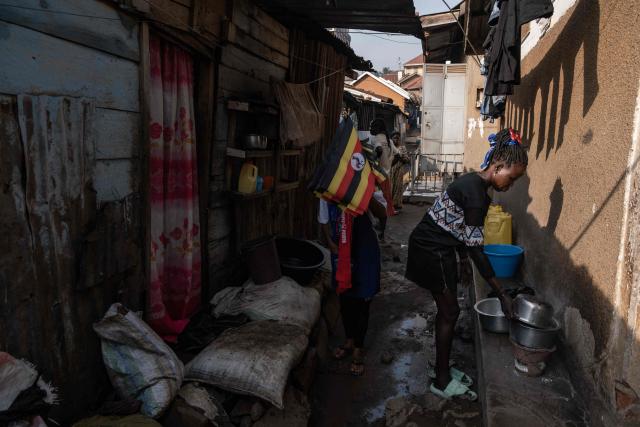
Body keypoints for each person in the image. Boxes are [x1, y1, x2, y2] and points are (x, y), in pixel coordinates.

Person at [405, 128, 528, 399]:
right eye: (512, 177)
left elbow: (459, 227)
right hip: (431, 250)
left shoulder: (474, 184)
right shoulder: (476, 195)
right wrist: (501, 293)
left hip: (439, 248)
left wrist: (461, 259)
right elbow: (476, 249)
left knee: (447, 311)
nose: (511, 184)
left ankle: (441, 366)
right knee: (449, 312)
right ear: (497, 166)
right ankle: (441, 379)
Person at [319, 196, 386, 376]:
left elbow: (382, 213)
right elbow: (324, 219)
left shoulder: (366, 181)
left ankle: (359, 347)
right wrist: (331, 244)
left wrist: (367, 195)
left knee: (363, 298)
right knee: (345, 295)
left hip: (365, 250)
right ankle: (349, 340)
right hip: (340, 247)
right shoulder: (329, 185)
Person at [370, 118, 397, 241]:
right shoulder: (389, 141)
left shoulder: (376, 139)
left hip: (377, 176)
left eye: (372, 127)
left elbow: (379, 150)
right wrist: (389, 166)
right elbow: (397, 155)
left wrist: (373, 161)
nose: (371, 129)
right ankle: (382, 232)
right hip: (386, 175)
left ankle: (378, 231)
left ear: (377, 128)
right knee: (384, 203)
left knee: (376, 202)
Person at [390, 131, 410, 211]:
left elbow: (407, 159)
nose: (396, 140)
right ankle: (389, 204)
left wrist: (401, 158)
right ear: (391, 139)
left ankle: (396, 204)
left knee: (398, 187)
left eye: (398, 138)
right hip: (390, 170)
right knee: (390, 187)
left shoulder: (402, 148)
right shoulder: (389, 148)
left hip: (399, 170)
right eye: (394, 138)